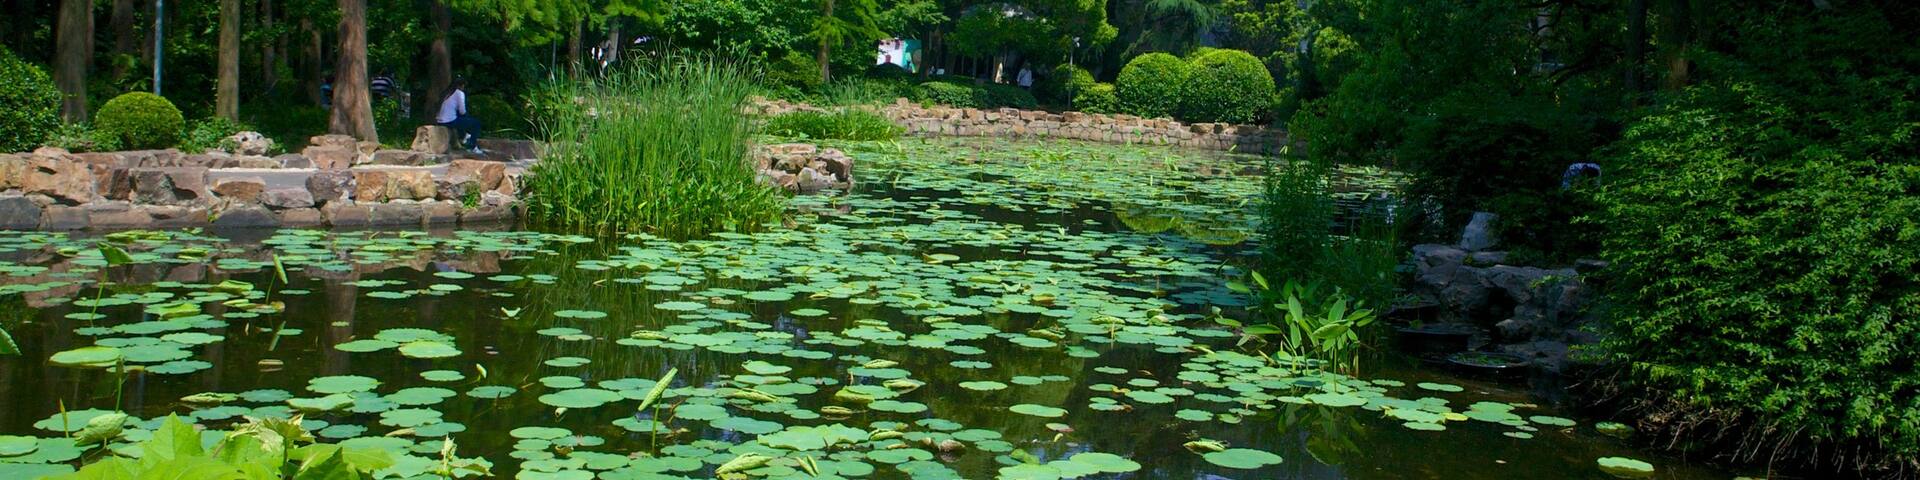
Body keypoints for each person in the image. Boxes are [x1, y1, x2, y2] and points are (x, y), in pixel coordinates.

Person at [435, 78, 484, 154]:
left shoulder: (447, 93)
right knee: (476, 123)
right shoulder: (459, 93)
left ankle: (465, 136)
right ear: (461, 86)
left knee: (459, 118)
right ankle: (472, 146)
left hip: (440, 121)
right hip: (449, 121)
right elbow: (462, 111)